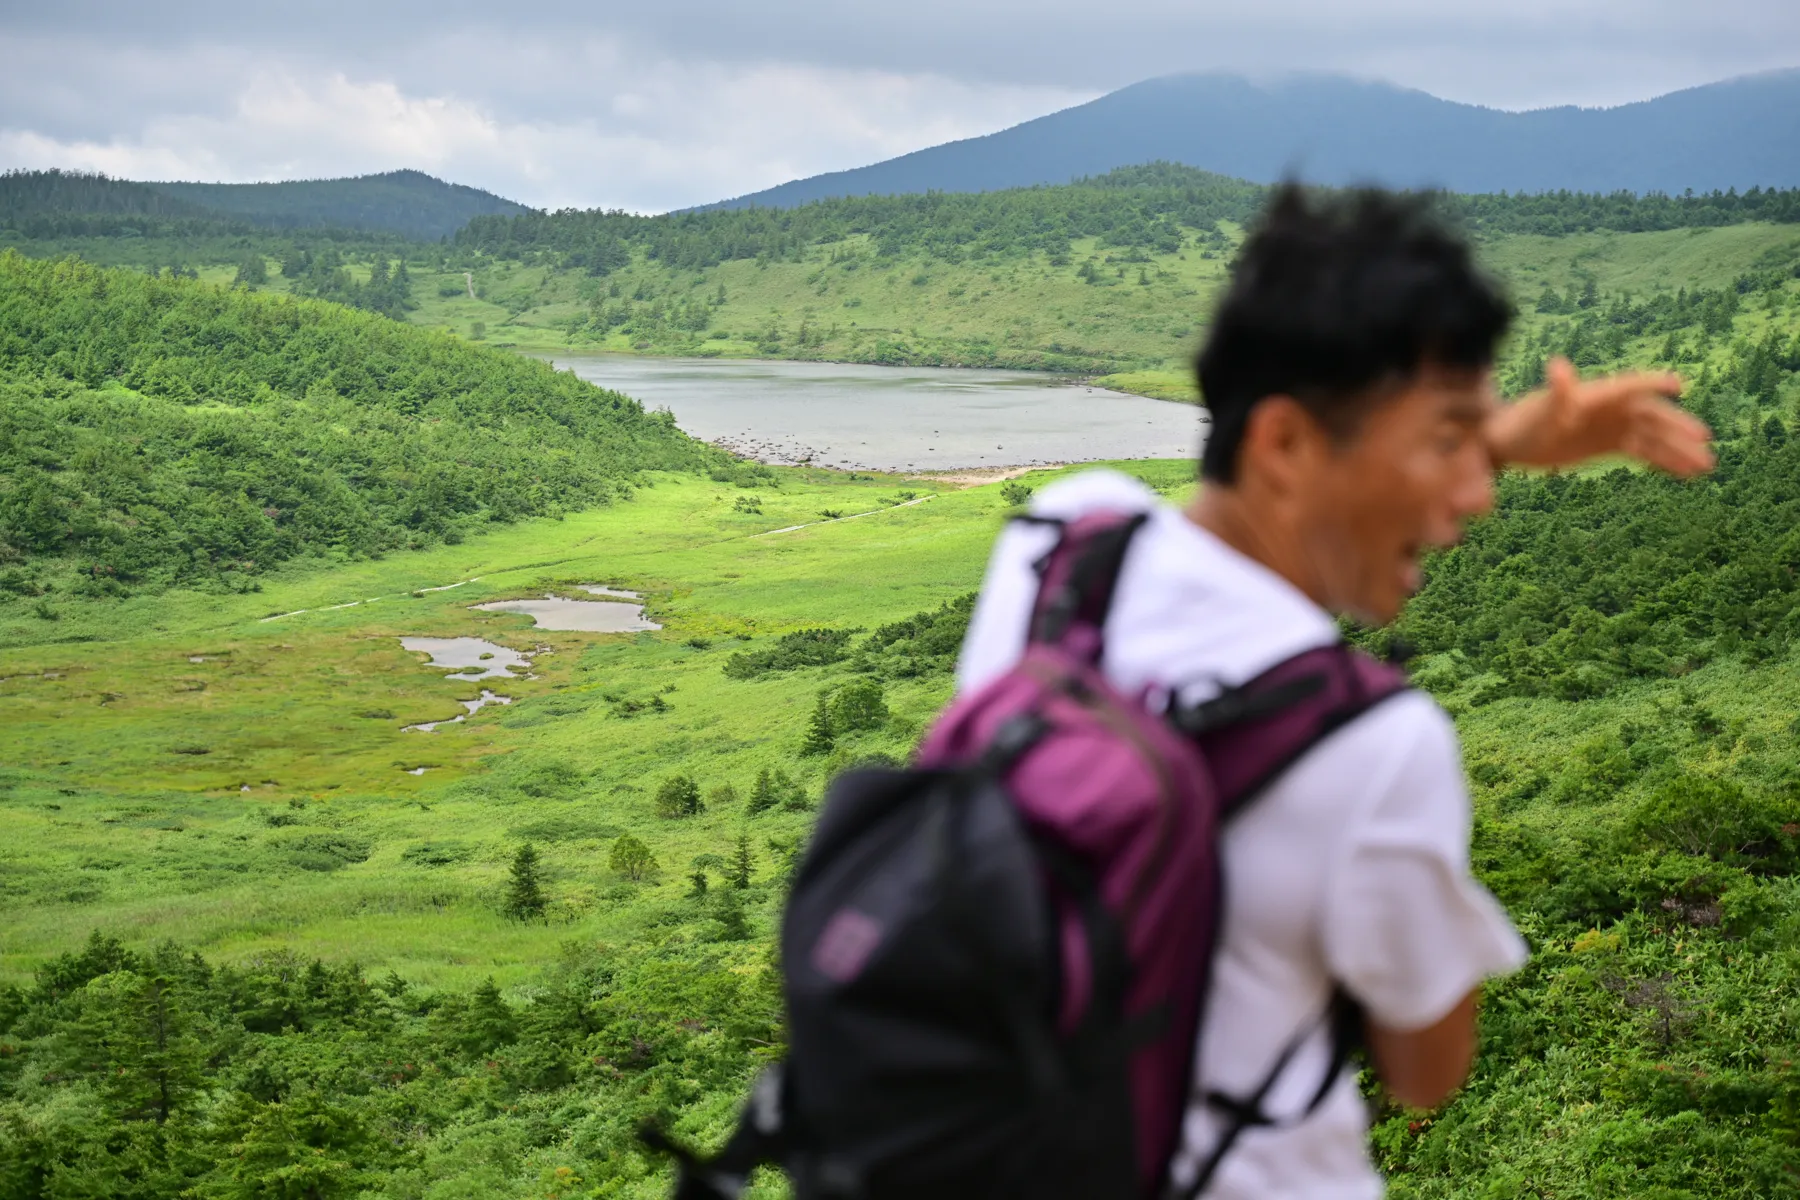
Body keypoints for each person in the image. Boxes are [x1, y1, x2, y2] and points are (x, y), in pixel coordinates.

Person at [954, 185, 1713, 1198]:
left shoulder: (1059, 553)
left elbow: (1244, 499)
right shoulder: (1378, 744)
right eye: (1447, 442)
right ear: (1284, 444)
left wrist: (1484, 434)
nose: (1479, 492)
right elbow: (1424, 1073)